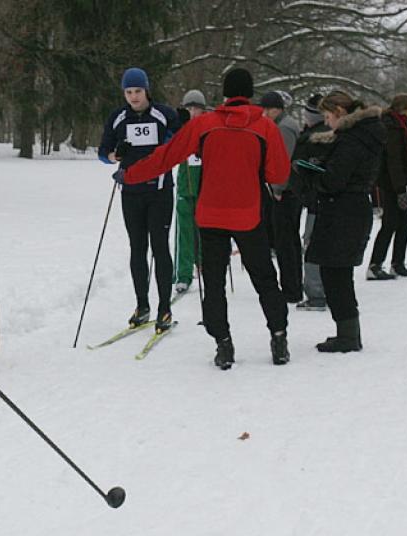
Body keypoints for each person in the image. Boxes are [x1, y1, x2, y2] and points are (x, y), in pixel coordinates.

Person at [124, 68, 291, 369]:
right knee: (265, 278)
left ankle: (223, 344)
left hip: (211, 213)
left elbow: (167, 156)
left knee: (213, 282)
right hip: (249, 213)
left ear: (225, 94)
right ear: (250, 93)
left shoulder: (205, 124)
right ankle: (279, 337)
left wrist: (131, 175)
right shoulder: (265, 128)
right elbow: (278, 174)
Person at [296, 92, 385, 352]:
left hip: (343, 210)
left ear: (339, 112)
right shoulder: (361, 135)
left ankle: (348, 334)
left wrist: (311, 175)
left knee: (336, 274)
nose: (326, 122)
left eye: (327, 116)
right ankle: (346, 331)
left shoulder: (352, 140)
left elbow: (335, 179)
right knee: (336, 272)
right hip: (348, 209)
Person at [98, 67, 180, 333]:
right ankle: (142, 305)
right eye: (128, 92)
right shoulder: (118, 117)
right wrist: (115, 156)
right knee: (137, 248)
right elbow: (102, 153)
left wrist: (168, 142)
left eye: (138, 91)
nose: (133, 97)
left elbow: (181, 140)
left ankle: (164, 308)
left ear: (147, 90)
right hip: (131, 192)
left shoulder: (164, 114)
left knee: (160, 247)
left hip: (159, 191)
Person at [367, 93, 407, 279]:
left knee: (402, 221)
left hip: (394, 182)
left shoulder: (398, 124)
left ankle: (396, 262)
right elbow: (394, 160)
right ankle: (377, 265)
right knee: (392, 222)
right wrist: (400, 190)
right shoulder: (392, 127)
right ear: (405, 107)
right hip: (390, 183)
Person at [259, 90, 304, 303]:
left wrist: (277, 188)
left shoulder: (284, 128)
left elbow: (282, 161)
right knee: (289, 239)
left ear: (277, 109)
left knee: (285, 240)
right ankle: (293, 283)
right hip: (287, 190)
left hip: (286, 192)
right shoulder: (282, 125)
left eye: (268, 110)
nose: (265, 113)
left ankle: (291, 288)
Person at [289, 93, 330, 310]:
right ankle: (327, 289)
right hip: (323, 200)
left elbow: (303, 168)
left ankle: (316, 293)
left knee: (312, 245)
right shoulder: (329, 134)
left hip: (316, 200)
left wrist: (304, 192)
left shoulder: (313, 137)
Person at [174, 89, 208, 295]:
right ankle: (183, 274)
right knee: (184, 233)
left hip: (205, 190)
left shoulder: (207, 128)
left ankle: (204, 265)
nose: (193, 112)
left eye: (197, 108)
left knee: (204, 232)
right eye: (189, 108)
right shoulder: (181, 128)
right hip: (185, 190)